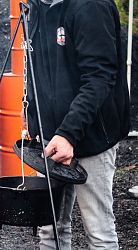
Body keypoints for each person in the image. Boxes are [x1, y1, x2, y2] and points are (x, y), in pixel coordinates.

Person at [21, 0, 130, 249]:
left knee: (98, 231)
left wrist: (68, 134)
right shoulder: (37, 5)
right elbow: (34, 66)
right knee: (50, 229)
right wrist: (31, 112)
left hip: (92, 137)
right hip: (51, 137)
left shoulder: (91, 6)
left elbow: (99, 78)